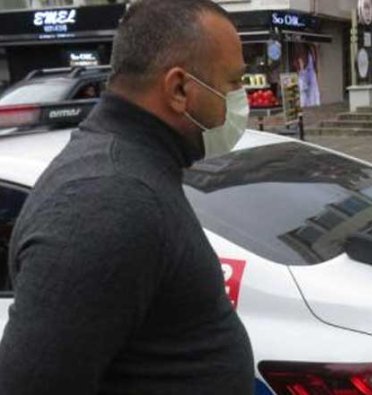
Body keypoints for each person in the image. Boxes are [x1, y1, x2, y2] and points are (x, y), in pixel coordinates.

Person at [0, 0, 254, 394]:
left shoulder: (137, 168)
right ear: (179, 89)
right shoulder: (104, 200)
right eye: (234, 82)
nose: (242, 98)